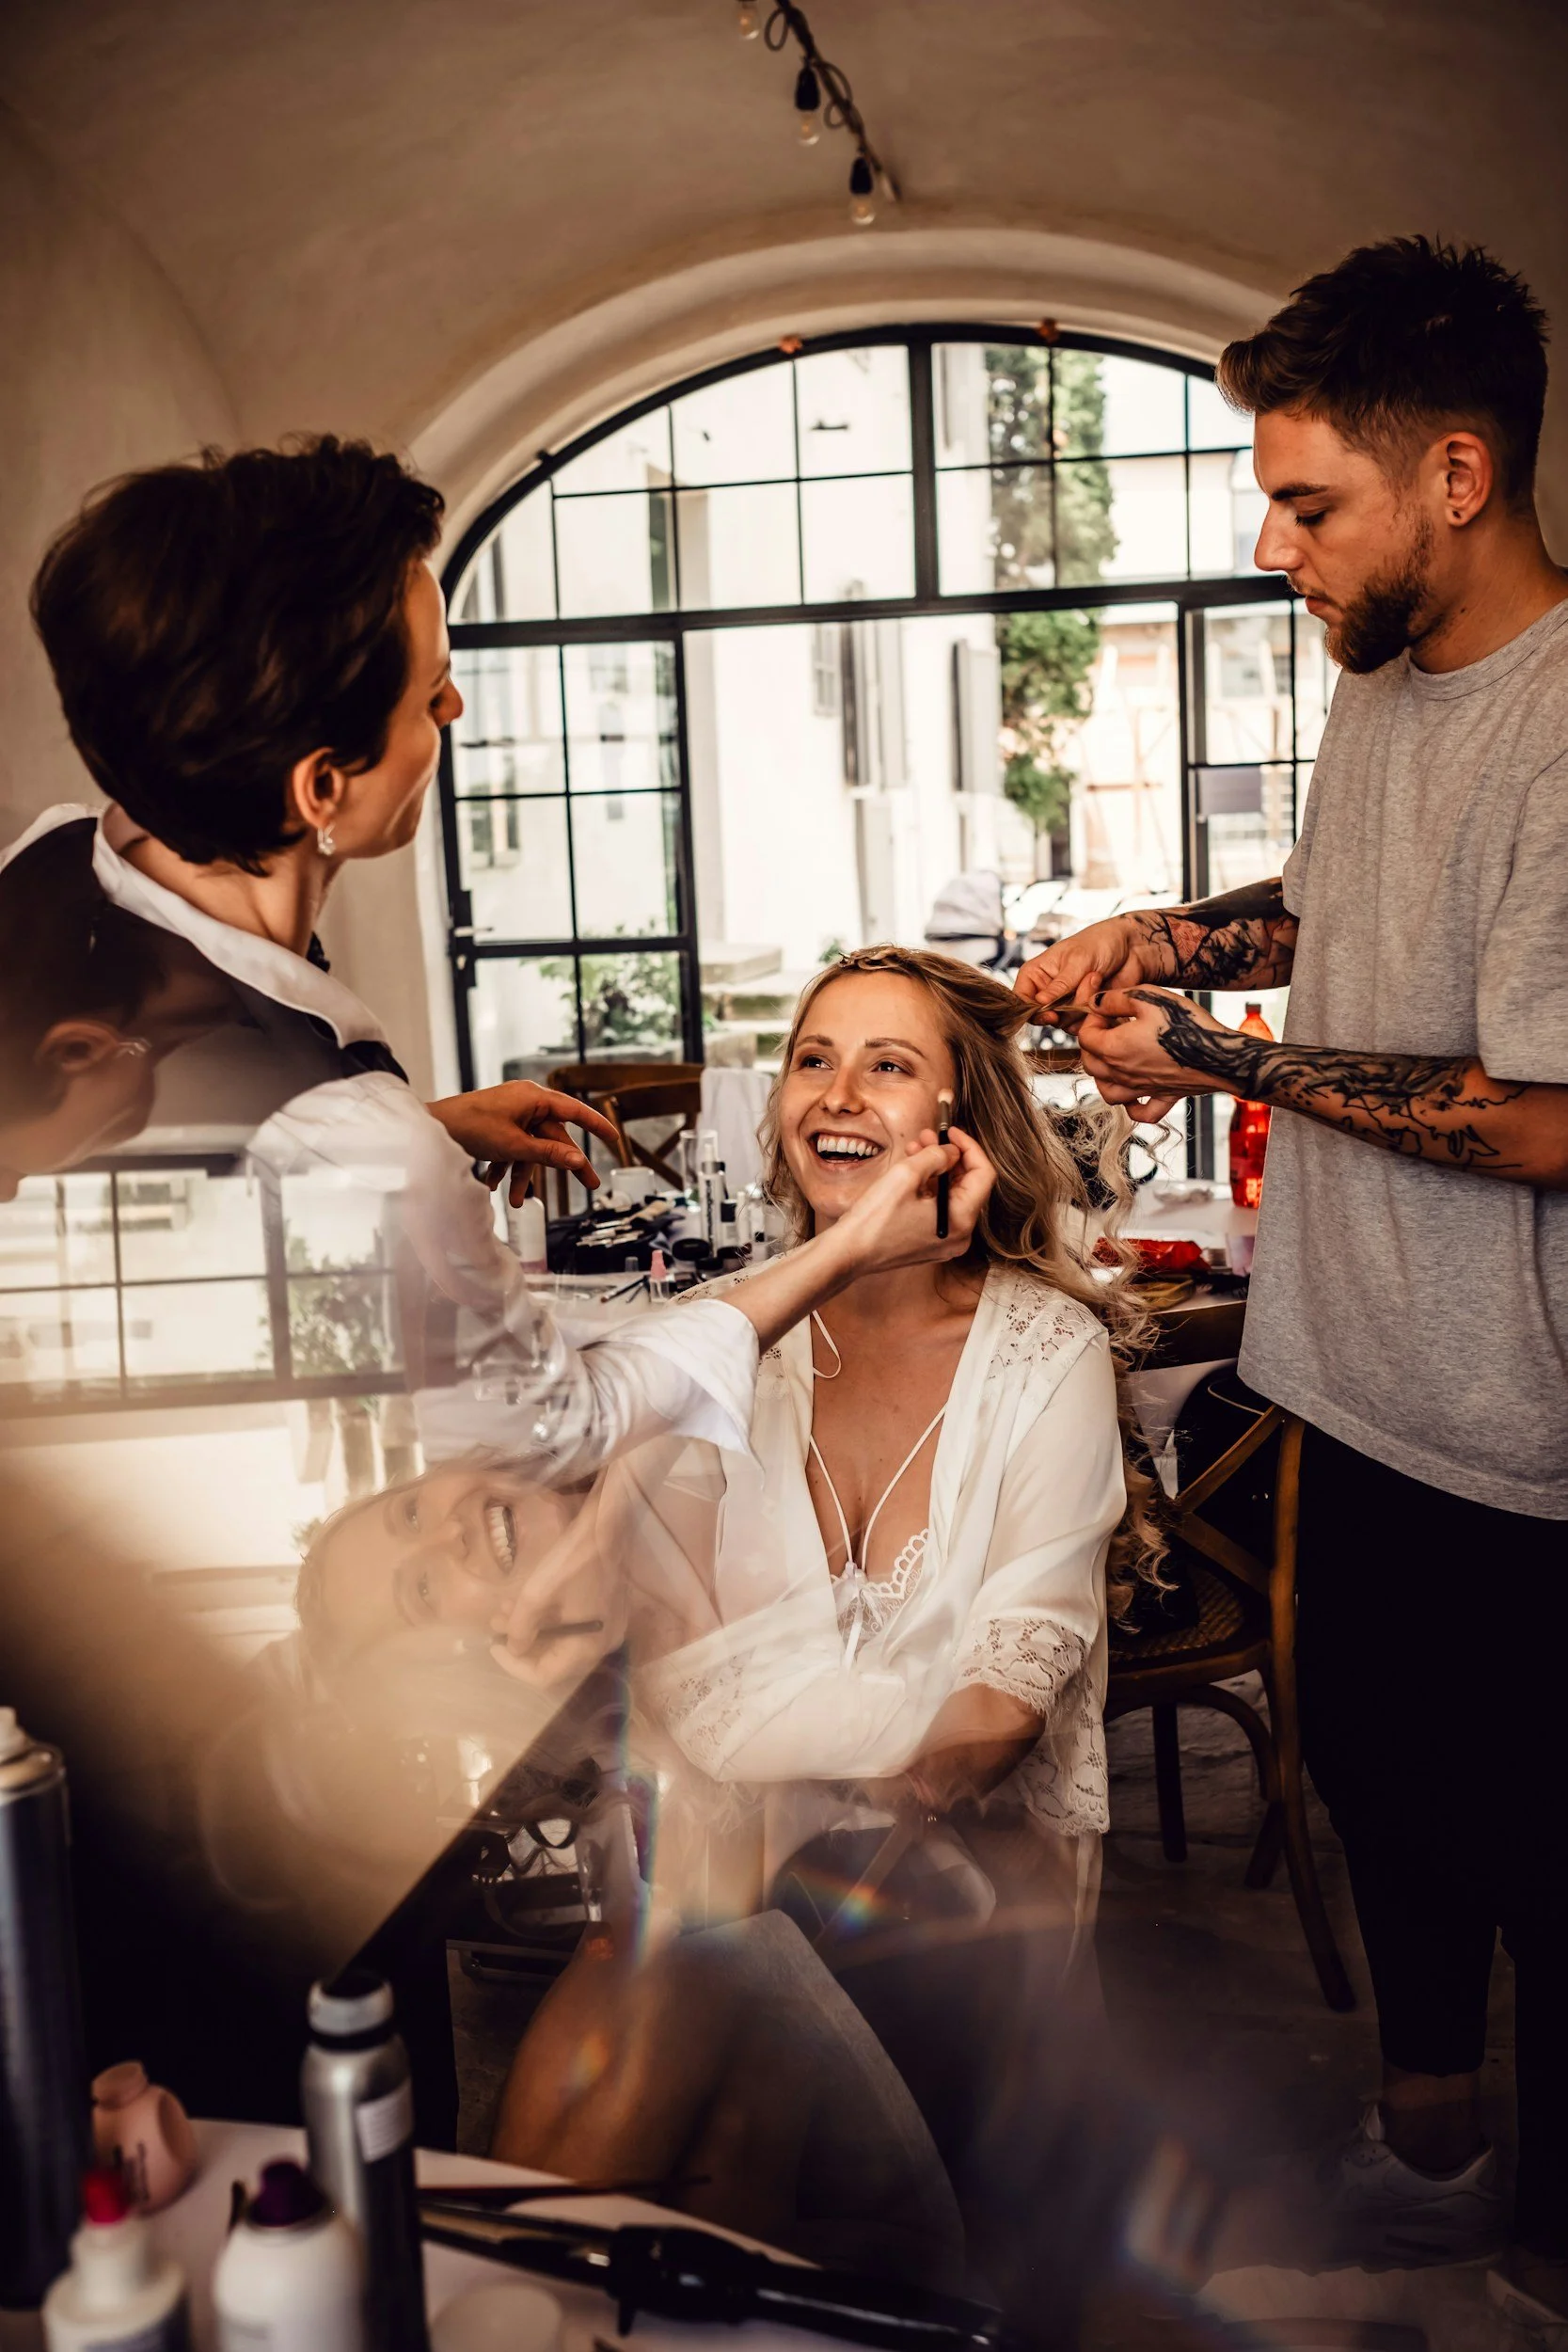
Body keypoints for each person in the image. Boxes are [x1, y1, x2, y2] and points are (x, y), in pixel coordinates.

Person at [1015, 237, 1568, 2306]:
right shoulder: (1381, 676)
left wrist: (1223, 1063)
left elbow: (1540, 1115)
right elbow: (1330, 912)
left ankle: (1542, 2251)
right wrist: (1165, 937)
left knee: (1539, 1856)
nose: (1273, 547)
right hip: (1351, 1379)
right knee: (1387, 1801)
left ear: (1454, 475)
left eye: (1306, 505)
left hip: (1516, 1430)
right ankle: (1424, 2150)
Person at [20, 437, 992, 1485]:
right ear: (322, 787)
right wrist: (850, 1246)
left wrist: (426, 1132)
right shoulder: (353, 1148)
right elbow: (553, 1432)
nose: (454, 712)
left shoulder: (47, 860)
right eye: (430, 691)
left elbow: (151, 1188)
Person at [480, 947, 1163, 2304]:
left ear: (958, 1124)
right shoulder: (722, 1343)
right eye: (811, 1059)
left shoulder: (1045, 1355)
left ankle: (496, 2302)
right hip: (729, 1890)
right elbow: (620, 1637)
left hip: (955, 1907)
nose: (835, 1094)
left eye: (886, 1065)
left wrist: (781, 1769)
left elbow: (994, 1711)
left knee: (689, 1994)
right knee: (696, 2014)